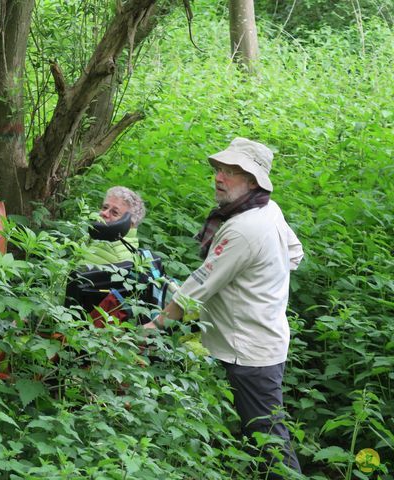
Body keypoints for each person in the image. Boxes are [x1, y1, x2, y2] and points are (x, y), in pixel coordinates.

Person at [144, 137, 304, 478]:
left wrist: (156, 325)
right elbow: (295, 253)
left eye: (231, 172)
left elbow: (199, 287)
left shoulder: (244, 230)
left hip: (247, 352)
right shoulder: (266, 209)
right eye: (219, 169)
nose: (219, 177)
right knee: (249, 435)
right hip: (252, 340)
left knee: (270, 444)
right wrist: (260, 281)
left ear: (253, 181)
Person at [80, 186, 146, 266]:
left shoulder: (113, 252)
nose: (104, 213)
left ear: (130, 224)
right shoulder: (102, 236)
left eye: (114, 212)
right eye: (105, 207)